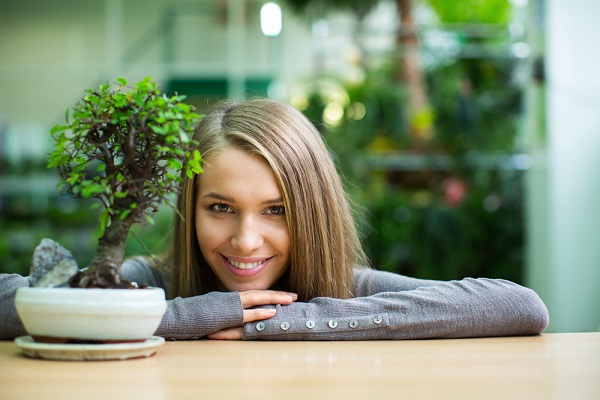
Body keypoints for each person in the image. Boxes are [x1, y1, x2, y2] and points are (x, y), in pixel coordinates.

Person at [0, 98, 549, 341]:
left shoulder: (345, 288)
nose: (245, 240)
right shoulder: (152, 280)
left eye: (276, 211)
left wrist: (277, 325)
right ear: (190, 209)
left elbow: (519, 306)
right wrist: (191, 315)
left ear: (311, 211)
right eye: (219, 208)